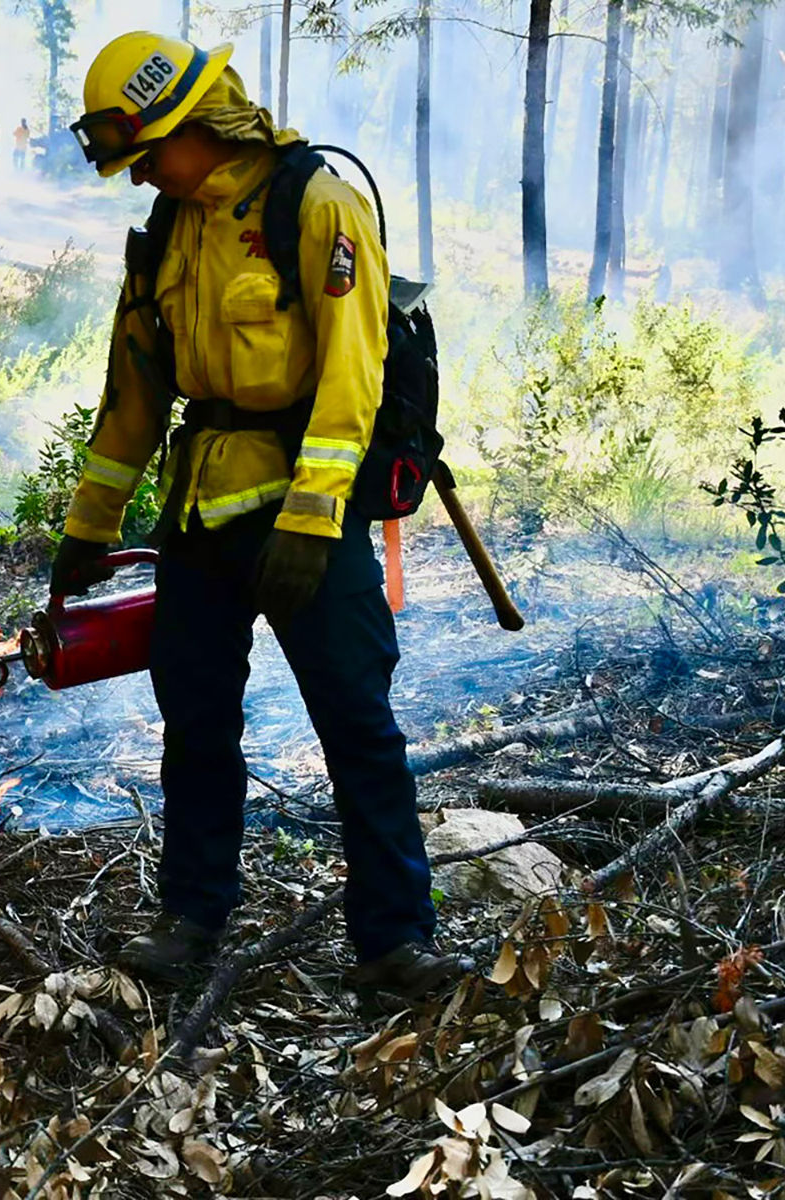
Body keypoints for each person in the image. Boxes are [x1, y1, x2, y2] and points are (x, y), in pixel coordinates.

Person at [49, 31, 471, 998]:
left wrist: (312, 522)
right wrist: (90, 523)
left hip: (303, 522)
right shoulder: (167, 230)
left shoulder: (315, 203)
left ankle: (395, 939)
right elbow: (134, 389)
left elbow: (353, 377)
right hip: (201, 514)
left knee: (357, 724)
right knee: (194, 724)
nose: (141, 175)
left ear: (198, 123)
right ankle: (192, 915)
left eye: (149, 153)